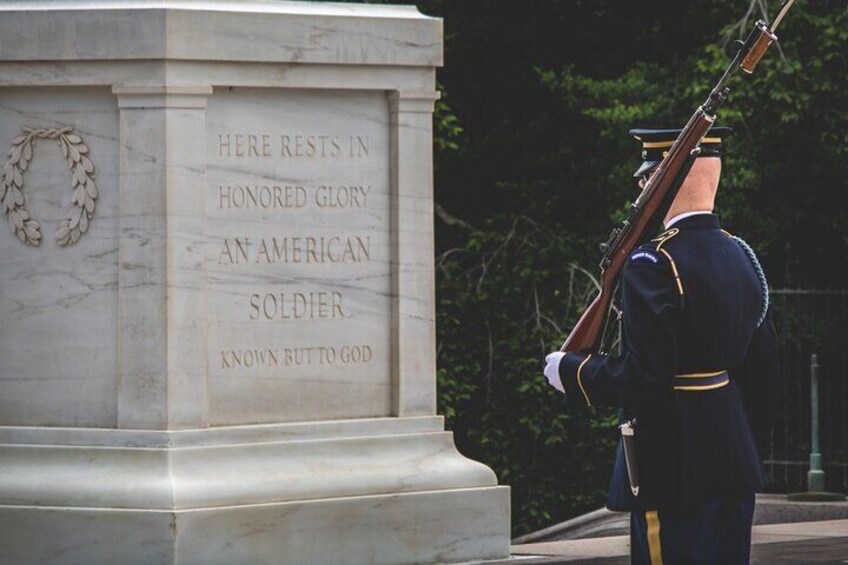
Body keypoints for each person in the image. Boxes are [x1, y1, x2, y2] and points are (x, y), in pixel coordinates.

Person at [543, 127, 780, 565]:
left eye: (647, 177)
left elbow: (643, 377)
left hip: (670, 461)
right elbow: (763, 366)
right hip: (732, 457)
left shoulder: (653, 262)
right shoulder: (741, 254)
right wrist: (739, 437)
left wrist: (571, 371)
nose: (640, 185)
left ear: (660, 182)